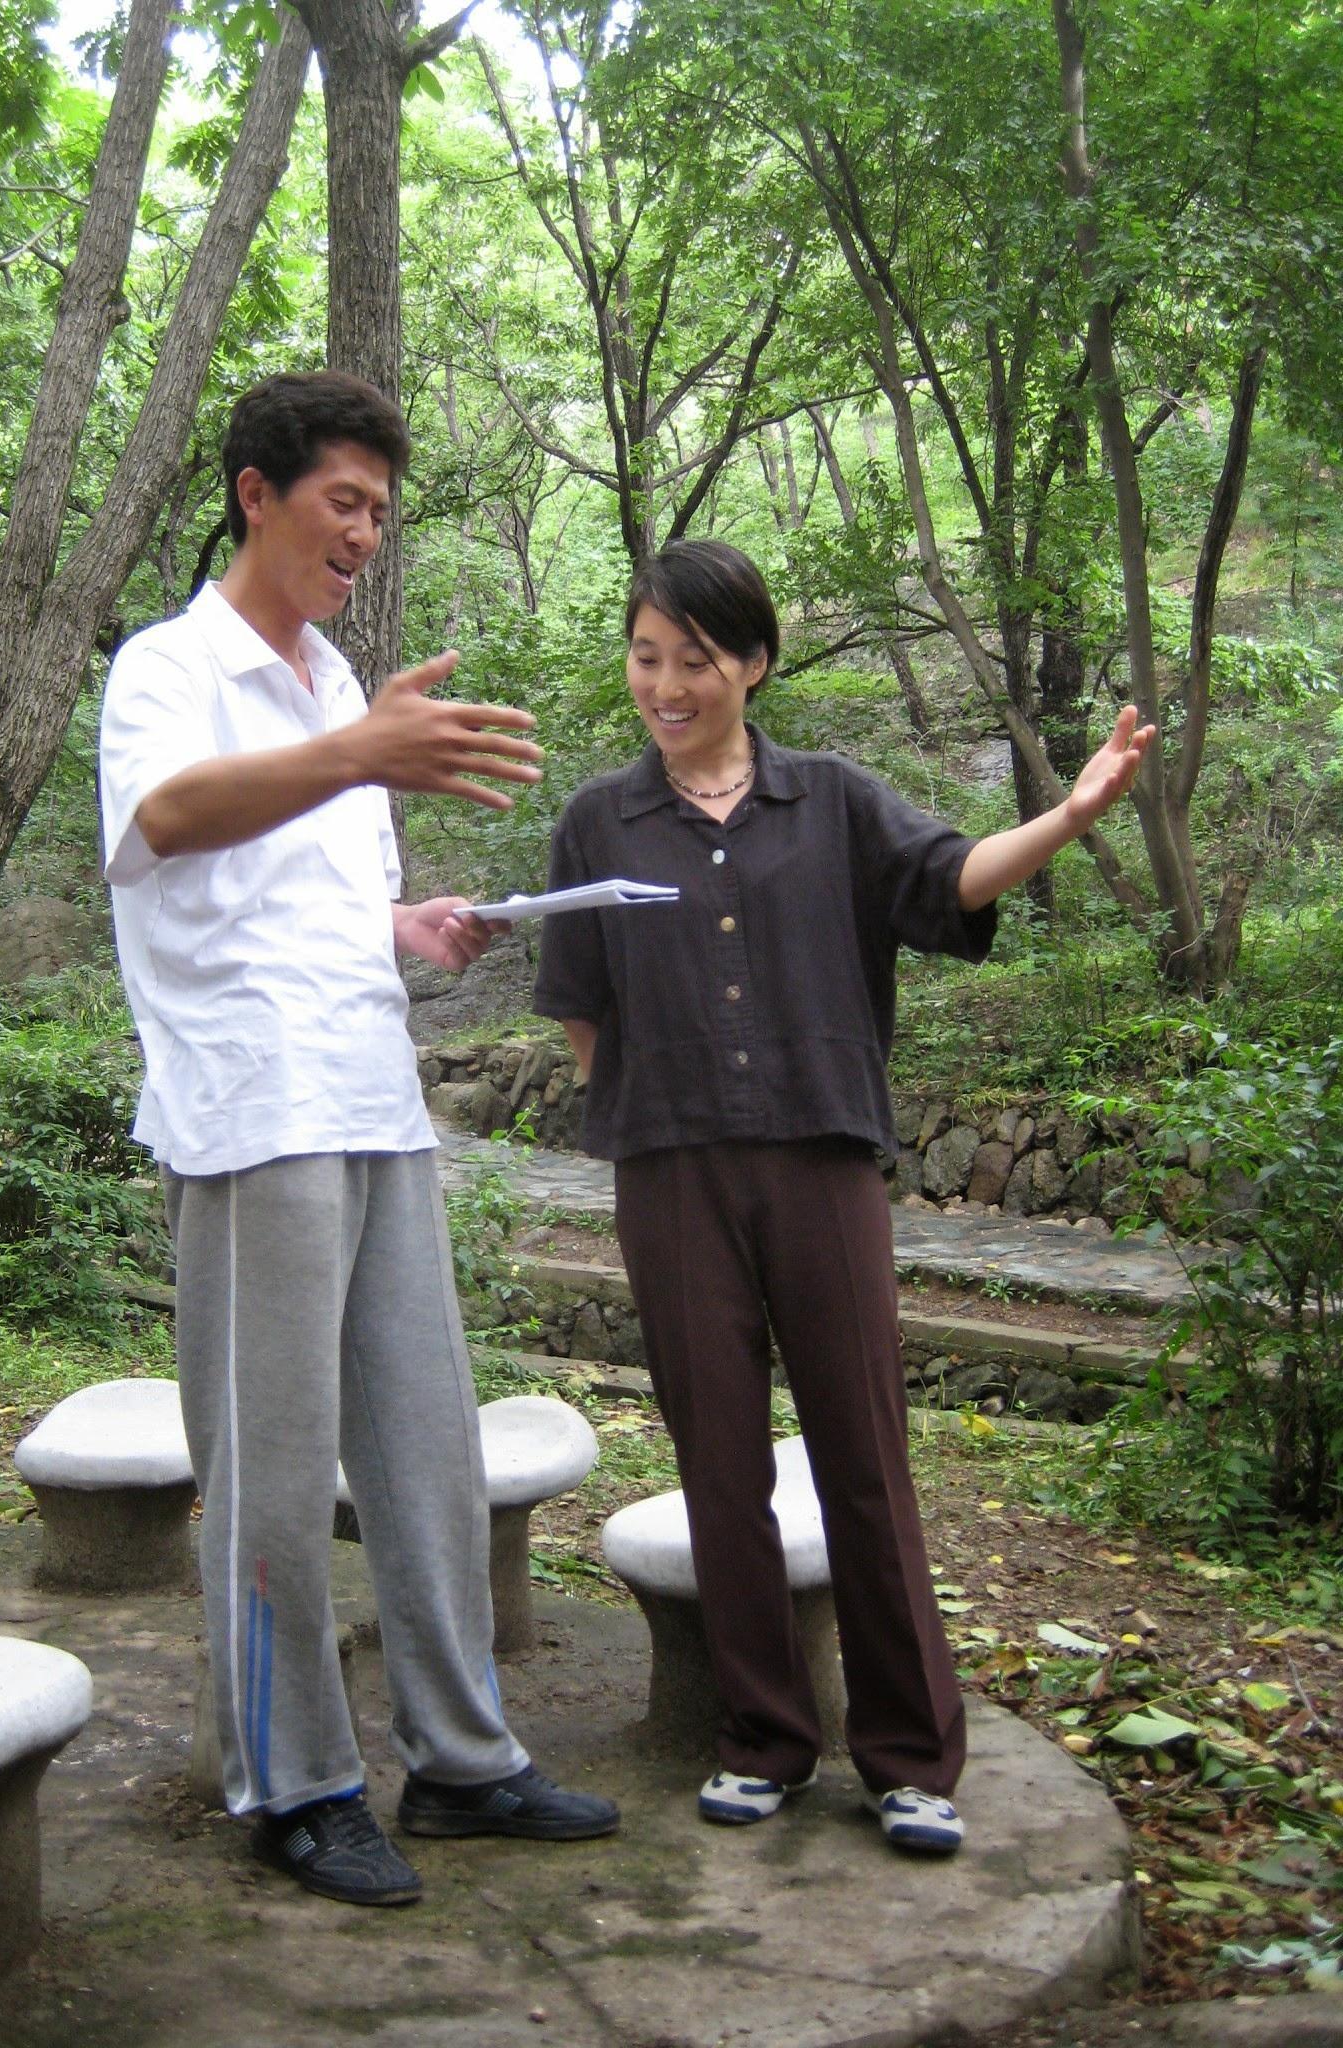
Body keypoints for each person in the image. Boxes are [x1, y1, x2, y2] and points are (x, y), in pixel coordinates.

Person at [532, 539, 1153, 1856]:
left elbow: (954, 882)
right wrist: (664, 1114)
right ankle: (762, 1736)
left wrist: (1074, 815)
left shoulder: (834, 802)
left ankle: (910, 1755)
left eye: (693, 658)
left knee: (863, 1457)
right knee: (717, 1463)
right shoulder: (600, 820)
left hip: (822, 1162)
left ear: (751, 662)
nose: (666, 683)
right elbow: (583, 1012)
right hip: (674, 1172)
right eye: (647, 657)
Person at [98, 370, 619, 1908]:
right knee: (268, 1474)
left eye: (383, 512)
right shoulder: (169, 666)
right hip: (252, 1112)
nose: (368, 536)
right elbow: (166, 826)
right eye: (346, 502)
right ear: (258, 493)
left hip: (372, 1096)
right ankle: (296, 1781)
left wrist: (409, 925)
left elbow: (287, 896)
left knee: (422, 1446)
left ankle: (463, 1758)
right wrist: (361, 755)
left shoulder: (335, 684)